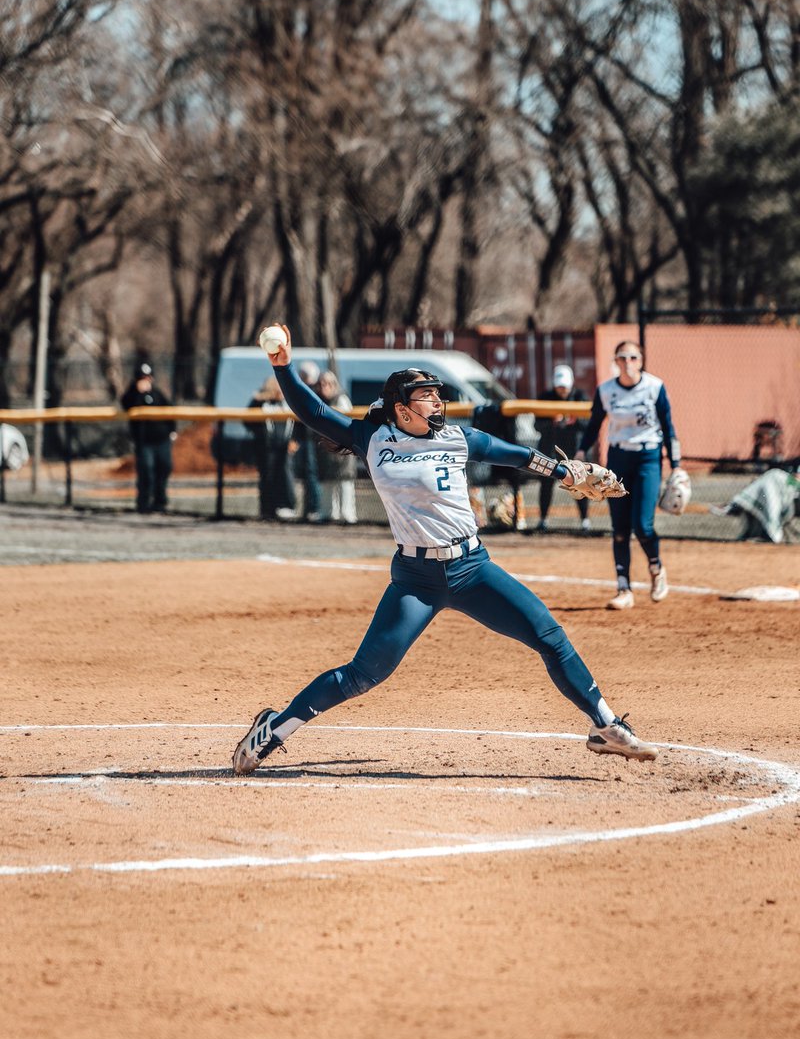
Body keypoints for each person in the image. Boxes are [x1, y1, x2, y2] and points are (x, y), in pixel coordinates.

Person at [232, 322, 658, 775]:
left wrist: (564, 471)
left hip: (472, 569)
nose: (437, 401)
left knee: (549, 636)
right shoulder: (373, 439)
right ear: (401, 408)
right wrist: (283, 367)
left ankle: (606, 725)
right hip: (416, 581)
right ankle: (274, 728)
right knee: (363, 674)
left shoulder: (458, 438)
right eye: (427, 395)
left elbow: (516, 455)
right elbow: (313, 411)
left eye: (438, 394)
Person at [575, 340, 681, 610]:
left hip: (648, 458)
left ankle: (656, 569)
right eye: (622, 358)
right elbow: (594, 424)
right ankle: (624, 589)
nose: (628, 363)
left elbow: (668, 427)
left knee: (642, 525)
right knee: (620, 529)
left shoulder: (654, 387)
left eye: (633, 357)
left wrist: (676, 465)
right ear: (616, 362)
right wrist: (581, 452)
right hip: (618, 459)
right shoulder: (606, 390)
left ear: (641, 361)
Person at [536, 364, 591, 534]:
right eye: (559, 386)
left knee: (579, 483)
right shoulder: (545, 397)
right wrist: (552, 420)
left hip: (573, 448)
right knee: (546, 483)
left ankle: (585, 520)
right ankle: (543, 519)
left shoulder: (580, 397)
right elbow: (537, 425)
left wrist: (573, 419)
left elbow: (588, 425)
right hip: (550, 448)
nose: (562, 390)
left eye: (565, 386)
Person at [120, 362, 176, 514]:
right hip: (144, 441)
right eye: (142, 378)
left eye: (147, 377)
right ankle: (144, 503)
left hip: (162, 440)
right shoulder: (132, 395)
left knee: (164, 467)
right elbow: (125, 404)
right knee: (146, 470)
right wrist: (137, 392)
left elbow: (170, 411)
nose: (145, 380)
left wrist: (172, 431)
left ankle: (160, 501)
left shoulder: (157, 394)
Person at [246, 376, 297, 521]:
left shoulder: (289, 403)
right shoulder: (261, 403)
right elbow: (247, 421)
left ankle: (286, 506)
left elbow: (299, 425)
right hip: (267, 449)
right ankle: (267, 509)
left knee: (285, 476)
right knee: (267, 478)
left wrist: (295, 441)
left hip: (285, 447)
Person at [316, 369, 358, 524]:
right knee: (327, 481)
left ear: (334, 384)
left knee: (345, 481)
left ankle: (347, 515)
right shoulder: (319, 400)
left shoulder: (341, 399)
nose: (324, 387)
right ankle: (327, 513)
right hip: (326, 448)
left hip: (343, 445)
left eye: (328, 383)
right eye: (321, 384)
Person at [291, 360, 323, 521]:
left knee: (311, 475)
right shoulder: (309, 391)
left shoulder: (309, 392)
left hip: (312, 440)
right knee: (307, 475)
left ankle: (313, 509)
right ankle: (309, 509)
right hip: (309, 439)